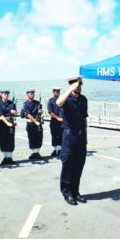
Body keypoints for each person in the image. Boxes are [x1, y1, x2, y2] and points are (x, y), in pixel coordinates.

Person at [56, 77, 88, 205]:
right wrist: (70, 89)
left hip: (80, 135)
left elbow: (85, 119)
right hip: (69, 135)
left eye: (80, 85)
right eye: (76, 86)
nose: (79, 88)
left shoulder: (83, 99)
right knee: (68, 164)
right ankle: (67, 193)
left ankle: (75, 192)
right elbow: (58, 103)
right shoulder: (66, 99)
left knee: (79, 164)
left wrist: (86, 137)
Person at [0, 89, 17, 165]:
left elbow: (15, 114)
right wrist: (7, 123)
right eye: (5, 94)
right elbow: (1, 115)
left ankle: (10, 157)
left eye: (7, 94)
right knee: (3, 140)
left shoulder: (11, 103)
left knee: (10, 140)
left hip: (11, 122)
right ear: (1, 95)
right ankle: (5, 157)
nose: (6, 95)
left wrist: (14, 112)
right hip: (2, 123)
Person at [21, 89, 43, 160]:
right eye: (30, 94)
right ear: (27, 95)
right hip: (30, 123)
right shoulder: (25, 104)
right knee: (31, 138)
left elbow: (40, 112)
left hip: (38, 122)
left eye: (33, 94)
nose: (32, 95)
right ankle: (33, 153)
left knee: (39, 138)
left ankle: (37, 152)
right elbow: (28, 114)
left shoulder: (37, 103)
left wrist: (41, 111)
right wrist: (34, 121)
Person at [47, 87, 63, 157]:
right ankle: (54, 149)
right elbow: (50, 112)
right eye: (56, 92)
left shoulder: (62, 100)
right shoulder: (50, 101)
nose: (57, 93)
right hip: (54, 121)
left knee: (61, 136)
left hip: (62, 121)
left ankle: (59, 150)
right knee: (54, 135)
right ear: (53, 92)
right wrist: (57, 118)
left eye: (58, 92)